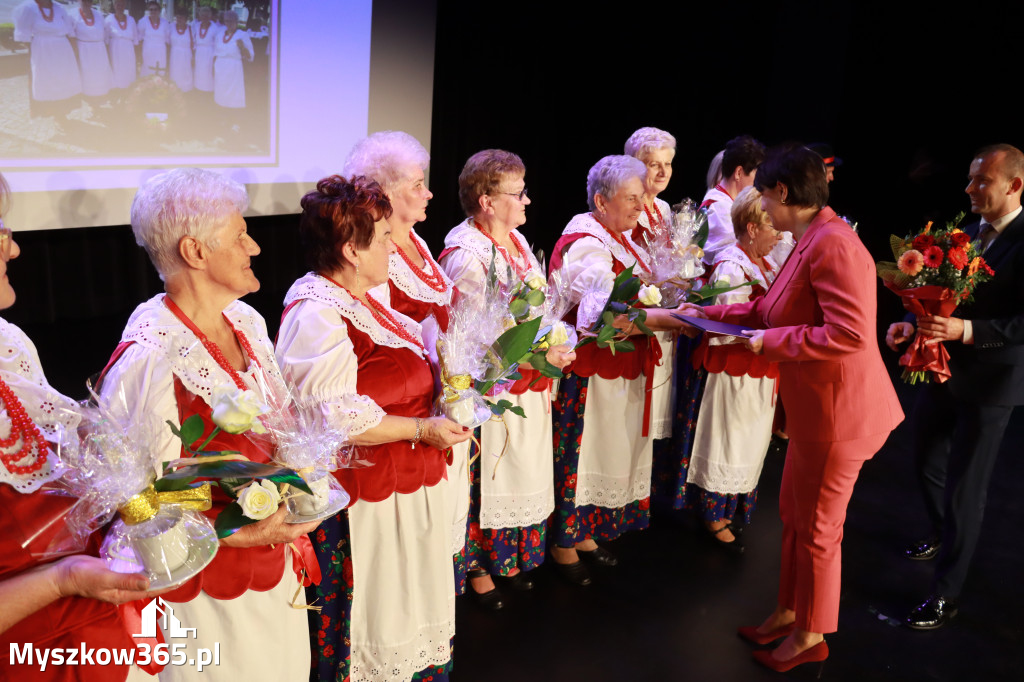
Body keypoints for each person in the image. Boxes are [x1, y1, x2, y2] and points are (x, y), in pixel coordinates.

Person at [97, 168, 320, 681]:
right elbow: (140, 502)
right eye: (240, 235)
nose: (255, 247)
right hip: (206, 594)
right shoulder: (149, 358)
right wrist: (232, 533)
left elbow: (279, 426)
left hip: (270, 562)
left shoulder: (247, 321)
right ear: (195, 252)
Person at [703, 145, 903, 671]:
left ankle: (813, 634)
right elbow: (769, 307)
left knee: (819, 530)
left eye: (764, 197)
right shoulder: (812, 236)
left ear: (784, 192)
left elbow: (849, 334)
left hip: (841, 415)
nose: (761, 210)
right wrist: (699, 314)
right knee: (795, 518)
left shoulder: (835, 244)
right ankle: (790, 611)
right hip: (817, 412)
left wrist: (767, 344)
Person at [277, 175, 469, 682]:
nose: (393, 244)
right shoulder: (316, 311)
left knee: (412, 605)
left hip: (409, 484)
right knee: (377, 617)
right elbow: (336, 415)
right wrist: (421, 429)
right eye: (383, 237)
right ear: (351, 250)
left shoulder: (367, 299)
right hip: (367, 498)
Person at [0, 172, 160, 681]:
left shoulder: (9, 346)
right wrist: (63, 579)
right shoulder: (153, 346)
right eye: (0, 230)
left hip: (94, 641)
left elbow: (105, 475)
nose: (16, 249)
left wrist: (154, 515)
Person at [887, 143, 1024, 630]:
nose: (969, 189)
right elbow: (933, 297)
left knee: (968, 488)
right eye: (969, 179)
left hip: (993, 381)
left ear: (1014, 185)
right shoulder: (964, 234)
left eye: (981, 181)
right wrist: (909, 322)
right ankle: (945, 533)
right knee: (925, 459)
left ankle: (946, 594)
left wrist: (965, 331)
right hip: (945, 371)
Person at [547, 155, 701, 585]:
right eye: (631, 198)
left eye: (641, 197)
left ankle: (584, 532)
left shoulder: (623, 238)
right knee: (585, 451)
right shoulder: (586, 241)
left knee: (610, 452)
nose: (639, 206)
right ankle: (563, 539)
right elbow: (603, 315)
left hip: (623, 365)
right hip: (593, 371)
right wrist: (671, 320)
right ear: (601, 200)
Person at [439, 150, 575, 609]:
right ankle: (480, 565)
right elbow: (466, 336)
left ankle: (509, 558)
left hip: (527, 379)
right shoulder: (466, 254)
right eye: (517, 194)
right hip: (492, 386)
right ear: (487, 202)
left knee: (521, 467)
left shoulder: (514, 241)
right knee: (491, 471)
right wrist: (534, 354)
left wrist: (553, 340)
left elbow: (532, 310)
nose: (527, 201)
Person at [683, 187, 781, 550]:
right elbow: (723, 328)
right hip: (733, 373)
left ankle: (729, 507)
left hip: (759, 369)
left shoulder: (763, 264)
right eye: (773, 227)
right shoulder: (731, 265)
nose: (780, 235)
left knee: (748, 441)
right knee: (728, 440)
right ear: (752, 228)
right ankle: (712, 513)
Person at [700, 135, 765, 263]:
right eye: (756, 175)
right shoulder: (718, 208)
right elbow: (738, 255)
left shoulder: (731, 203)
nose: (759, 183)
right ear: (739, 173)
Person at [13, 0, 83, 116]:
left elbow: (70, 31)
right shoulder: (28, 8)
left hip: (63, 50)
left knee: (63, 79)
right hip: (42, 52)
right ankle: (51, 112)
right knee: (47, 81)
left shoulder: (60, 8)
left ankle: (63, 113)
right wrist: (38, 50)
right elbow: (23, 37)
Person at [72, 0, 113, 99]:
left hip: (99, 49)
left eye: (89, 1)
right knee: (88, 76)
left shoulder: (98, 14)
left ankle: (100, 97)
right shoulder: (73, 14)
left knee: (100, 75)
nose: (87, 3)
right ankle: (89, 99)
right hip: (84, 50)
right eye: (84, 1)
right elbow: (71, 34)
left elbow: (105, 31)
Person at [212, 11, 253, 109]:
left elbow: (250, 56)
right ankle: (222, 115)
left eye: (231, 21)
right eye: (227, 21)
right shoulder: (220, 34)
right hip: (220, 68)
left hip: (233, 69)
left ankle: (234, 116)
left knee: (233, 94)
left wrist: (242, 47)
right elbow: (215, 52)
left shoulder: (242, 35)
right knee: (220, 92)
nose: (229, 23)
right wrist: (213, 67)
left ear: (236, 22)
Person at [104, 0, 137, 91]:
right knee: (116, 72)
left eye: (122, 4)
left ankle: (127, 93)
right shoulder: (108, 19)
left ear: (125, 5)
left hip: (128, 51)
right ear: (114, 5)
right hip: (115, 51)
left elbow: (135, 39)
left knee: (128, 72)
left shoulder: (131, 20)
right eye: (117, 4)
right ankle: (116, 93)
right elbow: (105, 39)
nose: (120, 6)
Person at [137, 1, 168, 78]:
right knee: (147, 71)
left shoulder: (165, 23)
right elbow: (139, 39)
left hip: (161, 52)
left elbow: (167, 40)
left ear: (159, 11)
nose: (153, 11)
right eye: (151, 9)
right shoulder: (143, 21)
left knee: (160, 71)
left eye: (155, 9)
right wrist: (139, 55)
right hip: (148, 51)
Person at [168, 8, 193, 93]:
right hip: (174, 56)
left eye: (182, 17)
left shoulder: (191, 29)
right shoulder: (171, 27)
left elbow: (194, 45)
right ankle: (173, 92)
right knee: (174, 75)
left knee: (185, 76)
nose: (179, 20)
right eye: (178, 17)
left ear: (186, 19)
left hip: (186, 57)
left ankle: (185, 93)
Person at [192, 6, 216, 93]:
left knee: (208, 75)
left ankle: (208, 93)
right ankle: (198, 91)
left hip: (209, 54)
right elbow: (194, 40)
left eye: (207, 16)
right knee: (198, 74)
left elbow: (217, 44)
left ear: (210, 17)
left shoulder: (215, 28)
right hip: (199, 54)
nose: (204, 18)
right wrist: (193, 55)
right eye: (203, 16)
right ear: (200, 16)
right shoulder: (196, 26)